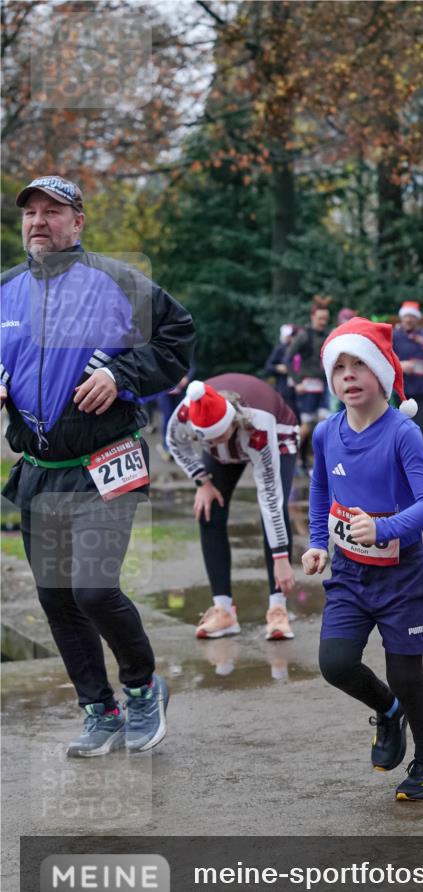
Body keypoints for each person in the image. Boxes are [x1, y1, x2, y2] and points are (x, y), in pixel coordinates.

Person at [0, 174, 195, 756]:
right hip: (39, 467)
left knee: (92, 589)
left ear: (77, 221)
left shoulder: (116, 281)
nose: (38, 221)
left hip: (105, 458)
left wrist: (120, 376)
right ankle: (99, 710)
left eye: (52, 211)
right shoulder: (6, 289)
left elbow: (176, 339)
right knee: (56, 597)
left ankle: (142, 687)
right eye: (30, 212)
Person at [302, 317, 423, 802]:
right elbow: (320, 487)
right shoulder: (326, 433)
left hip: (401, 574)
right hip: (348, 571)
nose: (348, 375)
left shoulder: (403, 433)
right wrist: (316, 543)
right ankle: (389, 713)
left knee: (407, 675)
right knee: (336, 662)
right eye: (339, 367)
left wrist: (383, 527)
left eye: (359, 365)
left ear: (382, 375)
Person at [166, 374, 299, 640]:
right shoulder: (185, 413)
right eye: (208, 442)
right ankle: (223, 610)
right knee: (209, 509)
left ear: (231, 424)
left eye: (219, 438)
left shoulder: (259, 425)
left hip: (275, 434)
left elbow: (270, 494)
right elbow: (174, 444)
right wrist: (202, 481)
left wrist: (281, 558)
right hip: (222, 435)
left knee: (272, 512)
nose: (215, 445)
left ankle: (277, 609)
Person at [285, 296, 331, 474]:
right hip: (308, 386)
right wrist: (297, 382)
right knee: (307, 425)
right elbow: (288, 358)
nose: (322, 322)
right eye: (320, 319)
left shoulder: (327, 334)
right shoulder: (304, 335)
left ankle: (321, 464)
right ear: (312, 317)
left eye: (325, 319)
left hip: (324, 385)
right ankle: (286, 452)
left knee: (325, 423)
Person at [393, 301, 423, 456]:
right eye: (406, 316)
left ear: (417, 318)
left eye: (412, 316)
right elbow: (388, 360)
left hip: (422, 390)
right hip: (402, 392)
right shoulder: (395, 336)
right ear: (401, 318)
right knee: (402, 430)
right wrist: (401, 366)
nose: (409, 320)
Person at [262, 323, 301, 420]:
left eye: (294, 336)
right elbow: (268, 367)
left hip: (301, 389)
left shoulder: (302, 349)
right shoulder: (281, 349)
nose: (291, 338)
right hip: (285, 389)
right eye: (290, 336)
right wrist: (278, 368)